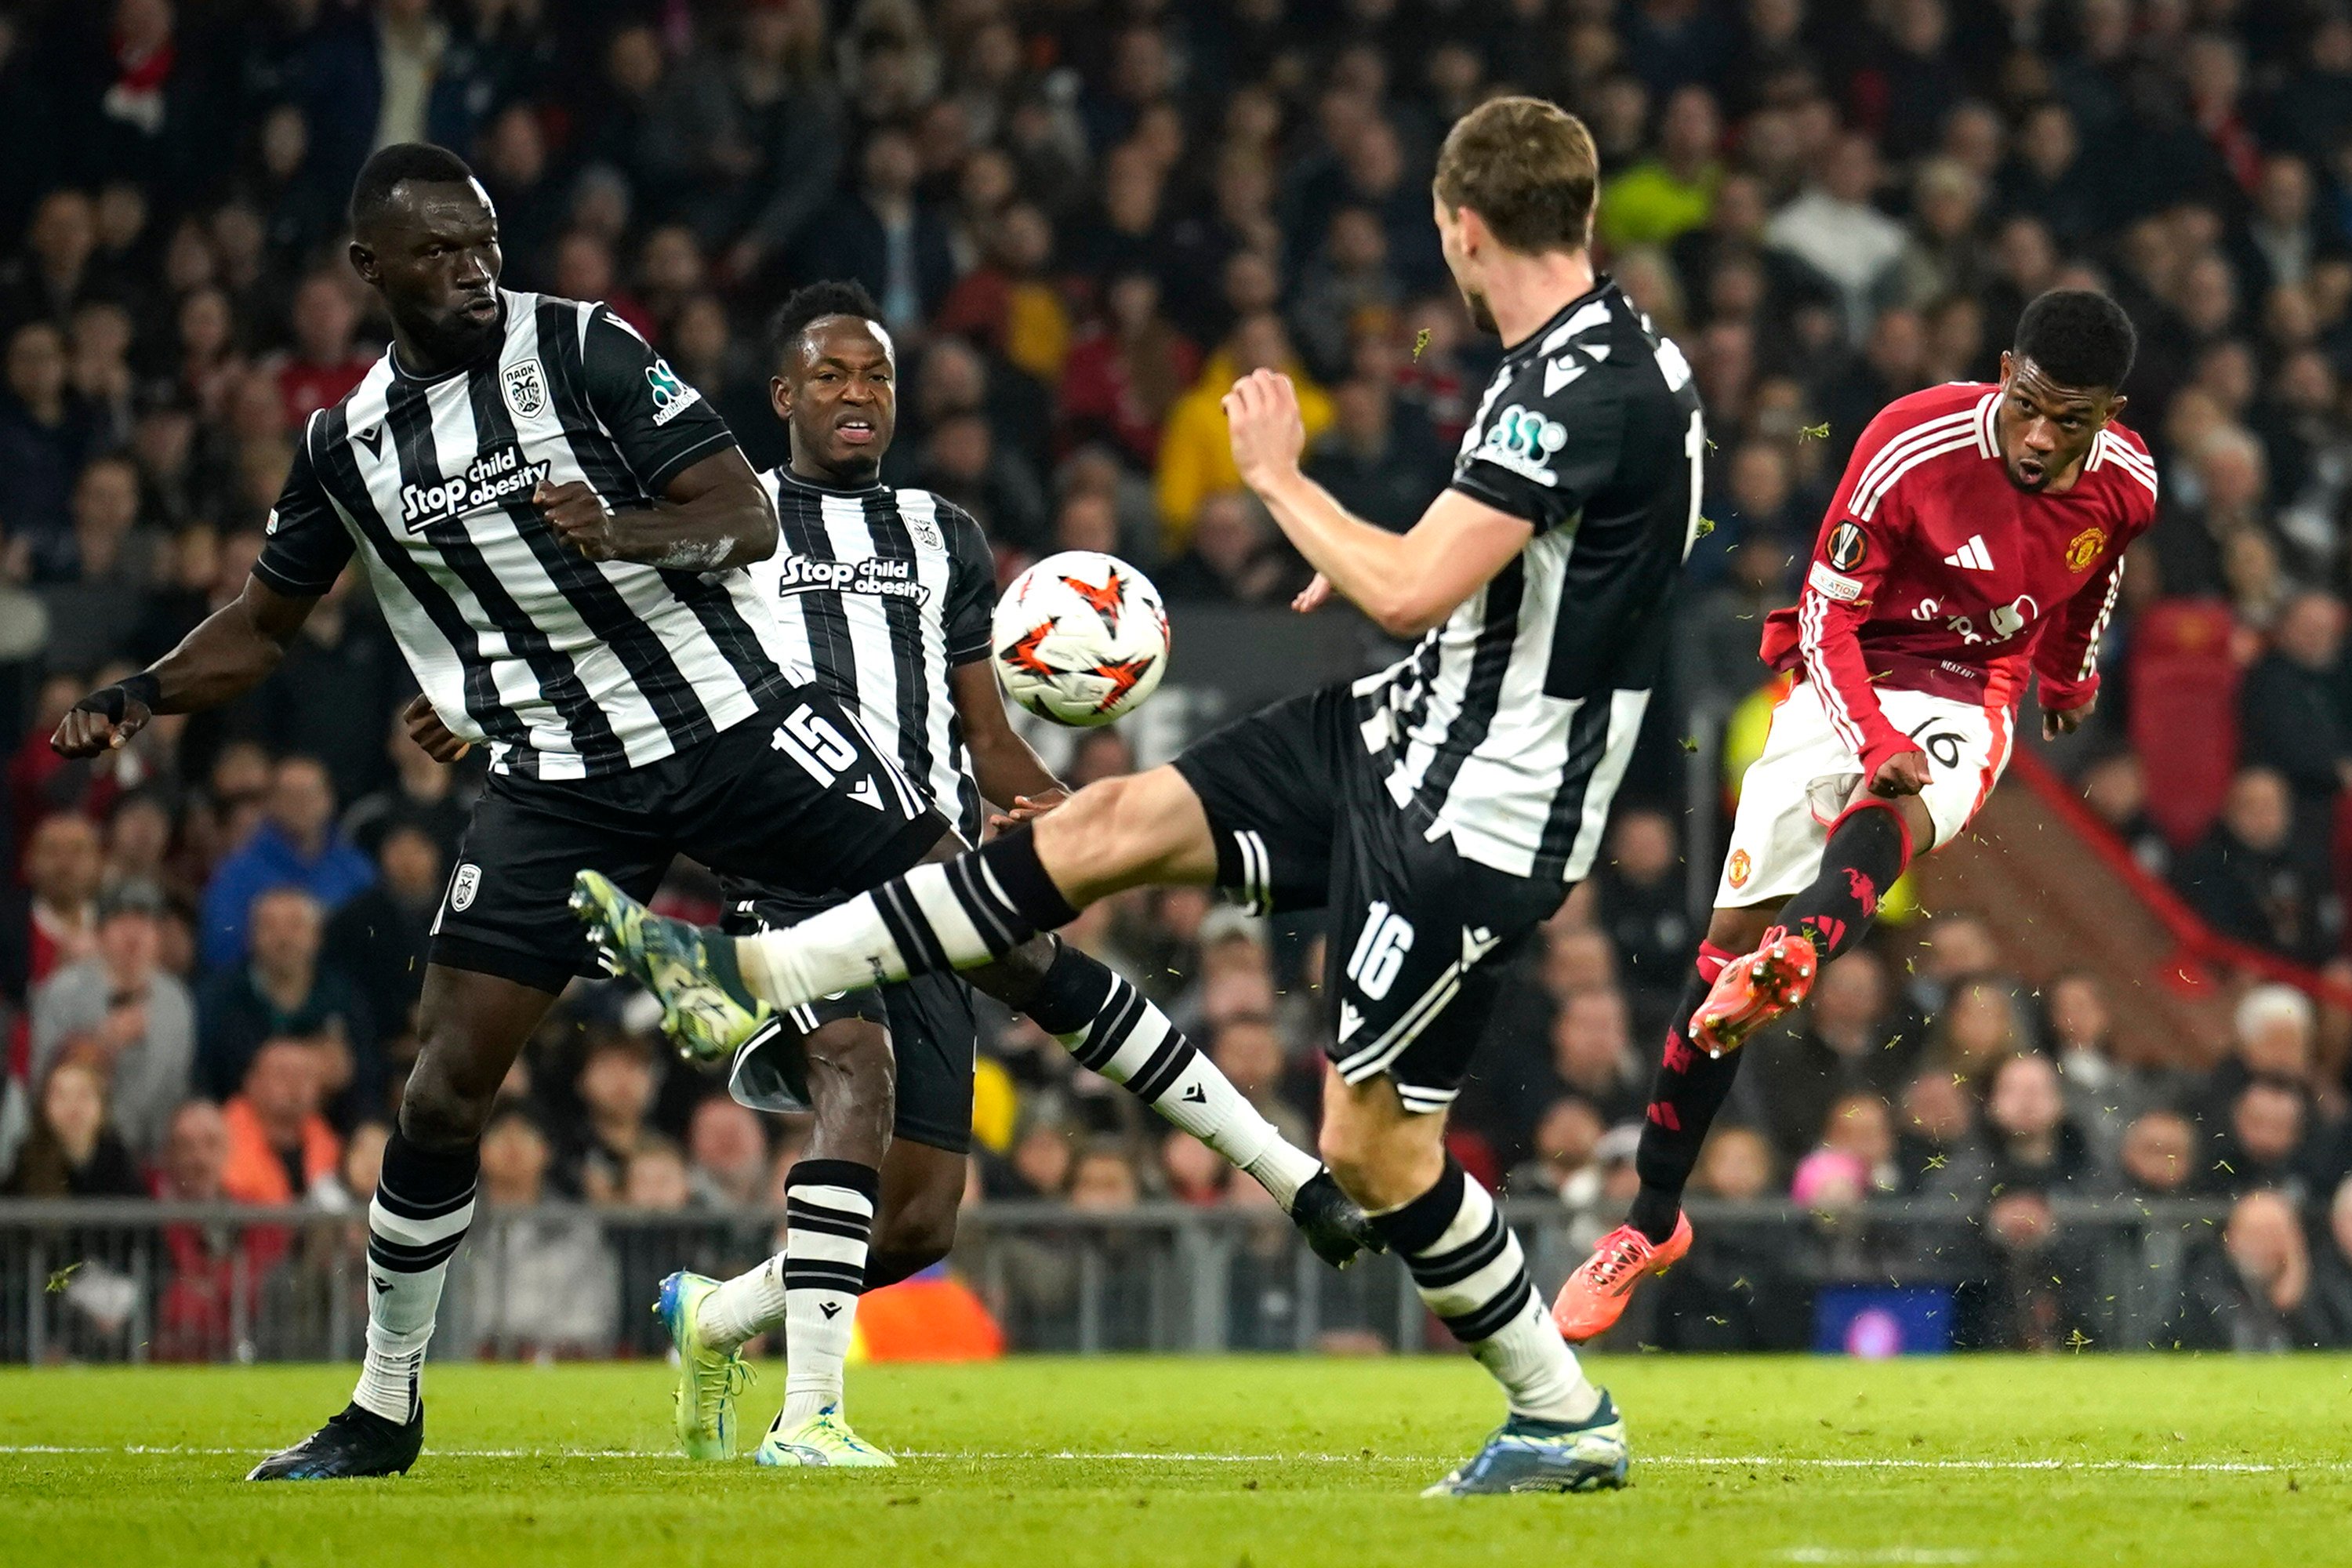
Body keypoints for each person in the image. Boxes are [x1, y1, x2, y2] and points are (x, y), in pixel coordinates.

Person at [586, 97, 1700, 1497]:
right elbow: (1480, 568)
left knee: (1371, 1146)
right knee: (1100, 827)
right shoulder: (1581, 359)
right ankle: (739, 969)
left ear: (1458, 228)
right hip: (1399, 728)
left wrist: (1287, 488)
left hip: (1480, 806)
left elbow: (1423, 581)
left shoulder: (1583, 384)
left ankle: (1557, 1411)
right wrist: (1364, 554)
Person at [49, 143, 966, 1482]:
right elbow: (262, 624)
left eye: (485, 241)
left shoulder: (583, 349)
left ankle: (1236, 1133)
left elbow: (740, 513)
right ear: (372, 270)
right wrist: (139, 694)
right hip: (553, 780)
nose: (476, 269)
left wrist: (627, 532)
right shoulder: (347, 446)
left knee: (967, 892)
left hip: (719, 727)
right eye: (440, 251)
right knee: (441, 1089)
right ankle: (383, 1404)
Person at [541, 279, 1361, 1467]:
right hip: (791, 858)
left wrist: (1067, 809)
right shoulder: (737, 522)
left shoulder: (944, 538)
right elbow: (608, 643)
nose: (856, 395)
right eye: (829, 376)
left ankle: (714, 1317)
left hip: (927, 867)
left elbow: (984, 733)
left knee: (918, 1219)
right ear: (782, 398)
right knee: (861, 1064)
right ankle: (811, 1419)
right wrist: (496, 709)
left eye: (874, 375)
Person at [1552, 289, 2160, 1342]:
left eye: (2075, 419)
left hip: (1972, 693)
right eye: (2031, 404)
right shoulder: (1907, 442)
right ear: (2006, 369)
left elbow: (2094, 576)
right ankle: (1651, 1221)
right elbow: (1827, 616)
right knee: (1720, 954)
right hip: (1849, 672)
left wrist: (2065, 673)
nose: (2042, 436)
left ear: (2112, 411)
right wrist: (1874, 739)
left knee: (1902, 806)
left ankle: (1798, 951)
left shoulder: (2130, 483)